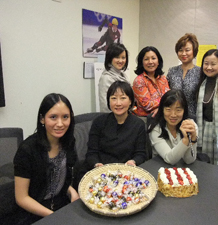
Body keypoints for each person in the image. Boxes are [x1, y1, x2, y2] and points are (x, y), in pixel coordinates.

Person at [12, 93, 79, 224]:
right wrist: (52, 216)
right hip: (34, 213)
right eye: (53, 117)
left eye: (65, 117)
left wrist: (71, 191)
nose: (60, 124)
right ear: (42, 119)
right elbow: (21, 198)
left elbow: (59, 177)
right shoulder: (27, 150)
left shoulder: (68, 142)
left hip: (61, 205)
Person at [83, 81, 147, 171]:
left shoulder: (138, 124)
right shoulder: (99, 122)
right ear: (109, 101)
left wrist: (133, 161)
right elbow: (91, 153)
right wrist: (96, 164)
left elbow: (140, 154)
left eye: (123, 98)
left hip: (126, 171)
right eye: (113, 98)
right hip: (101, 171)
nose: (118, 103)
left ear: (130, 101)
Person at [148, 89, 197, 165]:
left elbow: (189, 160)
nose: (173, 115)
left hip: (183, 171)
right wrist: (185, 140)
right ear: (162, 110)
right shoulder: (155, 128)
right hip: (160, 168)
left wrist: (193, 139)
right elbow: (169, 159)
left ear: (184, 111)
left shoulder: (190, 126)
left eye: (178, 110)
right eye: (168, 109)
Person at [167, 33, 200, 119]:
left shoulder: (201, 72)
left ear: (194, 51)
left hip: (193, 117)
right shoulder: (172, 71)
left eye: (187, 50)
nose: (183, 53)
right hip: (174, 116)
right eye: (180, 50)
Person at [132, 46, 170, 117]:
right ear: (142, 63)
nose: (150, 62)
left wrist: (160, 108)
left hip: (163, 117)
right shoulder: (139, 81)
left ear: (158, 61)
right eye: (146, 59)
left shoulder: (163, 78)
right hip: (146, 120)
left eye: (153, 58)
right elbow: (147, 105)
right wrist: (164, 105)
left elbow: (170, 98)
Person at [98, 43, 129, 112]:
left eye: (123, 57)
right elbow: (105, 106)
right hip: (113, 119)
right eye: (117, 57)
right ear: (110, 58)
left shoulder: (123, 75)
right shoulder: (106, 78)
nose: (120, 61)